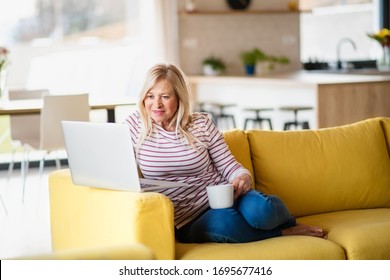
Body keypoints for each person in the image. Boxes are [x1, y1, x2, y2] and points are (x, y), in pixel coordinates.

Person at [124, 63, 325, 243]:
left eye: (165, 96)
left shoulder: (201, 123)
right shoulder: (134, 127)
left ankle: (286, 220)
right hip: (186, 218)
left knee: (262, 210)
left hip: (225, 196)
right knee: (227, 224)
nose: (156, 104)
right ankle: (286, 232)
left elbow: (229, 165)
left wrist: (242, 176)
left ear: (179, 98)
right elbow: (121, 174)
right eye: (150, 96)